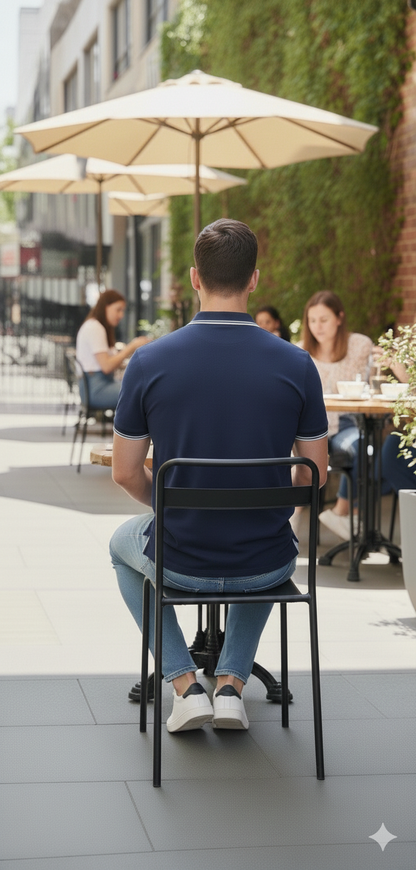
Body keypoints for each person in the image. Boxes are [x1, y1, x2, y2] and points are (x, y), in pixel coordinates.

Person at [109, 219, 328, 734]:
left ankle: (185, 685)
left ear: (193, 278)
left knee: (121, 546)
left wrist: (172, 508)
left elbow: (123, 472)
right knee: (275, 542)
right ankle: (231, 684)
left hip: (181, 558)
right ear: (254, 280)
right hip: (265, 562)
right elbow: (314, 477)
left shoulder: (148, 361)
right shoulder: (298, 364)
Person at [299, 290, 373, 541]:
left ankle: (341, 511)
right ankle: (286, 527)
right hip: (308, 429)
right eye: (312, 320)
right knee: (287, 458)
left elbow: (373, 385)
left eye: (324, 319)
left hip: (346, 425)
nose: (317, 327)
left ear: (339, 318)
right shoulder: (300, 353)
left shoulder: (359, 345)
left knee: (364, 445)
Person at [75, 289, 148, 408]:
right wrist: (132, 346)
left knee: (140, 389)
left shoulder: (96, 326)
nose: (121, 315)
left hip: (99, 385)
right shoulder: (95, 328)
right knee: (143, 392)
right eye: (118, 309)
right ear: (105, 307)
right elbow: (107, 367)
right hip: (97, 390)